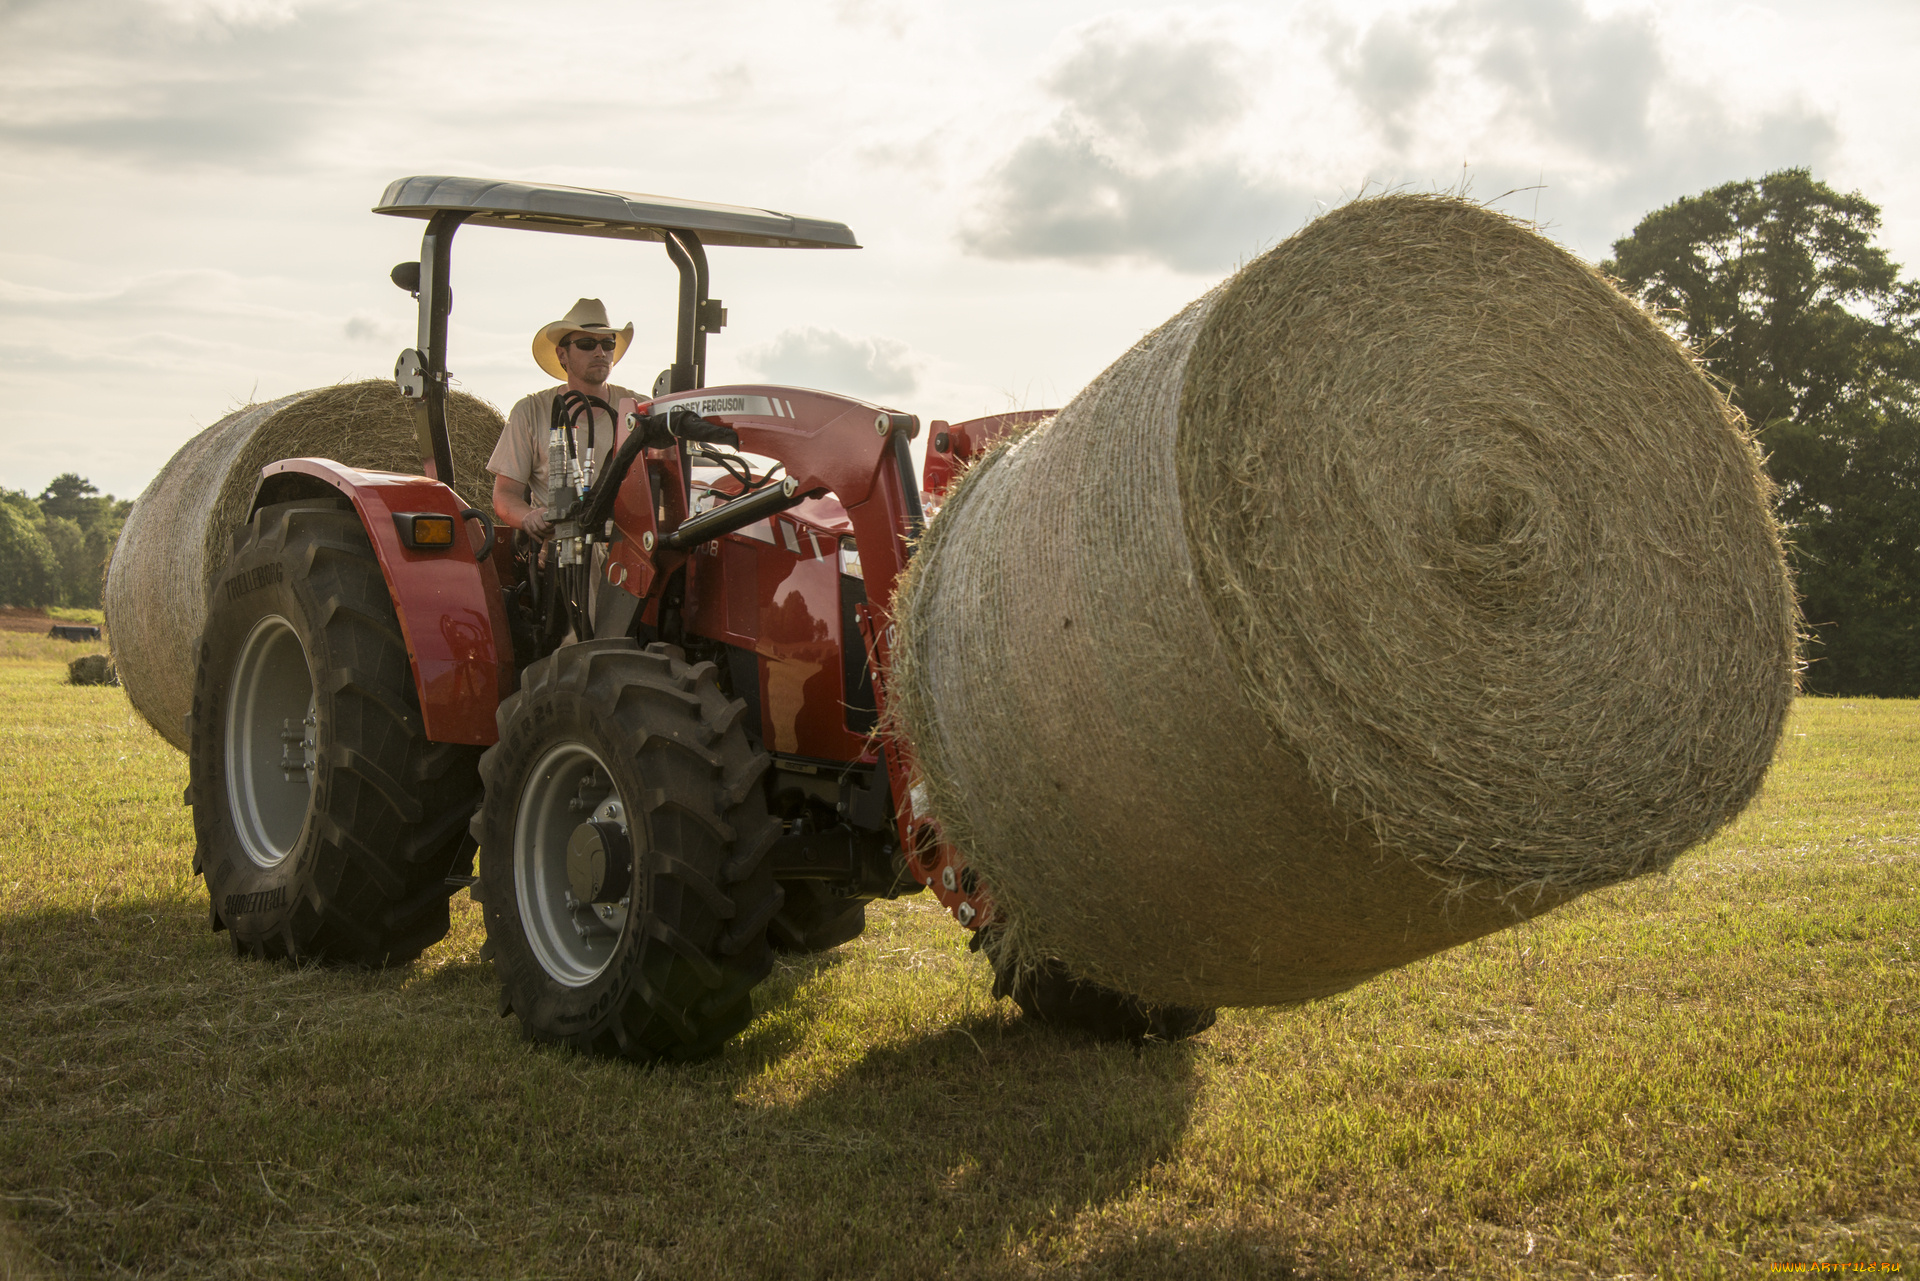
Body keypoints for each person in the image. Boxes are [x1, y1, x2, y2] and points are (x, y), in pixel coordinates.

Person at [489, 298, 645, 539]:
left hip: (627, 548)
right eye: (586, 343)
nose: (600, 352)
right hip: (560, 556)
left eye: (607, 343)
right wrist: (530, 517)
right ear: (562, 354)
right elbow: (505, 494)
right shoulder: (531, 411)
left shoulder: (639, 409)